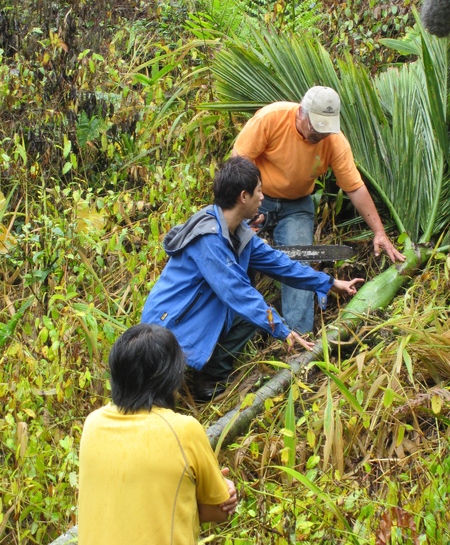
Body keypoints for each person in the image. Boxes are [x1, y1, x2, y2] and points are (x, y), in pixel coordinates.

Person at [141, 156, 363, 401]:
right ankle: (184, 371)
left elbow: (281, 265)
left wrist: (330, 284)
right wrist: (283, 330)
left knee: (252, 316)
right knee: (158, 398)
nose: (263, 197)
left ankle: (210, 379)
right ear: (243, 196)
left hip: (198, 312)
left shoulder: (240, 233)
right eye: (259, 191)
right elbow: (237, 292)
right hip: (169, 324)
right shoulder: (209, 238)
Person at [231, 86, 405, 335]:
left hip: (297, 204)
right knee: (237, 253)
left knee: (299, 260)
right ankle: (238, 328)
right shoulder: (271, 118)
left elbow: (355, 187)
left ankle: (298, 340)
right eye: (314, 127)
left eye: (325, 130)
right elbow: (238, 162)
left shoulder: (334, 140)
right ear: (301, 112)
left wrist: (379, 232)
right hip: (258, 196)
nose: (319, 135)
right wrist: (248, 203)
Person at [78, 323, 238, 545]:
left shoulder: (93, 424)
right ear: (171, 377)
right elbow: (219, 511)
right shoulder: (183, 431)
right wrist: (222, 486)